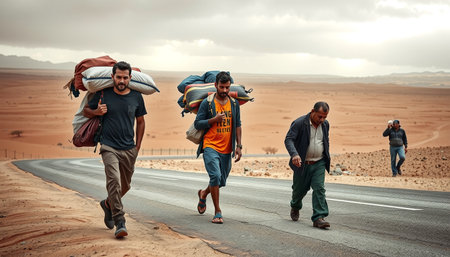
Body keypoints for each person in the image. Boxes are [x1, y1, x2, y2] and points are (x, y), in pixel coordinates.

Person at [83, 61, 146, 238]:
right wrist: (96, 112)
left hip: (129, 148)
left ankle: (108, 204)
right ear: (112, 77)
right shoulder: (104, 94)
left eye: (125, 77)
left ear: (130, 78)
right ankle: (120, 222)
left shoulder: (136, 97)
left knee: (125, 186)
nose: (121, 80)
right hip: (108, 146)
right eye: (118, 77)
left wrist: (137, 146)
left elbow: (140, 121)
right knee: (114, 182)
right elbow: (86, 110)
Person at [194, 71, 242, 224]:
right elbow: (197, 123)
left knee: (220, 181)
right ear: (216, 85)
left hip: (227, 149)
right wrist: (213, 119)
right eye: (221, 87)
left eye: (227, 87)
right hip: (210, 146)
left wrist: (239, 146)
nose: (224, 91)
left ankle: (203, 193)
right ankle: (217, 212)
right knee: (215, 176)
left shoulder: (234, 104)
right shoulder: (207, 103)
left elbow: (238, 125)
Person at [284, 102, 331, 229]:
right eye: (320, 116)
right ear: (312, 111)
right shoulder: (300, 123)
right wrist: (294, 154)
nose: (322, 120)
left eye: (324, 117)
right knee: (299, 191)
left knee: (319, 188)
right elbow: (289, 139)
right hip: (302, 164)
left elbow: (325, 140)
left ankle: (319, 217)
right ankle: (295, 206)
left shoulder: (325, 125)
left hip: (319, 163)